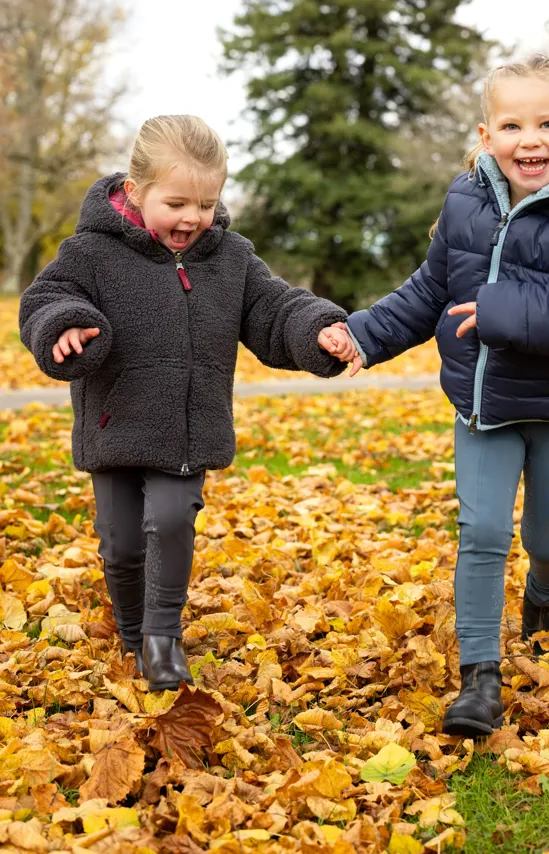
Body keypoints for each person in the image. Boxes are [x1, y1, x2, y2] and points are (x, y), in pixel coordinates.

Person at [319, 54, 549, 737]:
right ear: (487, 136)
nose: (529, 140)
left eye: (548, 124)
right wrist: (363, 334)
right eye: (512, 125)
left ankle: (544, 598)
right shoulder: (467, 202)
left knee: (548, 540)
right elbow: (432, 289)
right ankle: (479, 679)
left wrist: (499, 308)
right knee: (482, 534)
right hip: (483, 406)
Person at [20, 115, 348, 692]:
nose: (193, 218)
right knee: (120, 543)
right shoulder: (91, 252)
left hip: (187, 429)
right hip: (115, 423)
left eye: (206, 204)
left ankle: (162, 639)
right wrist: (64, 325)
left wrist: (316, 328)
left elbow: (274, 309)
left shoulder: (230, 257)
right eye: (176, 204)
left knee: (171, 520)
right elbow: (47, 296)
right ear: (135, 191)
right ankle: (132, 635)